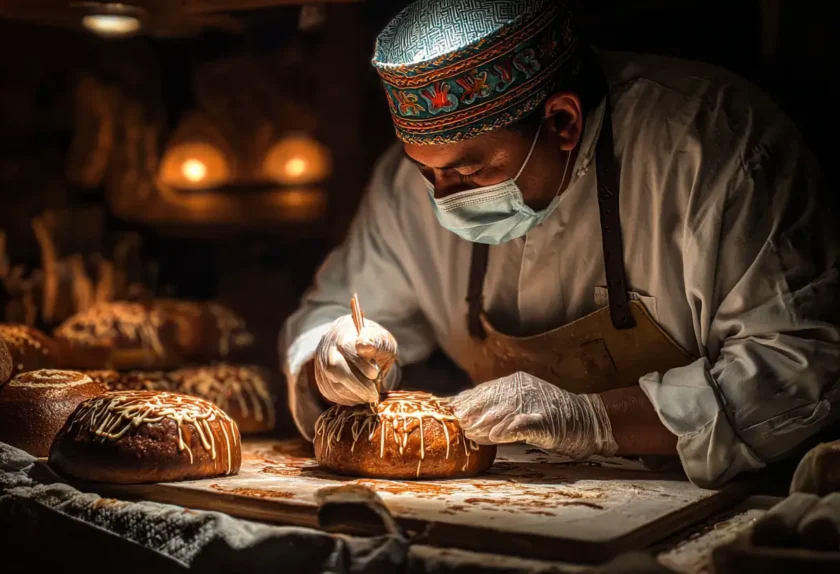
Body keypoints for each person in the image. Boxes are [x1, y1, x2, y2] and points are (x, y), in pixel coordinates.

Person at [279, 0, 840, 487]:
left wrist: (590, 420)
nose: (442, 198)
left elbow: (798, 365)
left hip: (730, 503)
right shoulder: (412, 185)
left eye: (470, 174)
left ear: (562, 122)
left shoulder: (714, 148)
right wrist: (328, 363)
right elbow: (329, 314)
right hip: (522, 497)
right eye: (429, 175)